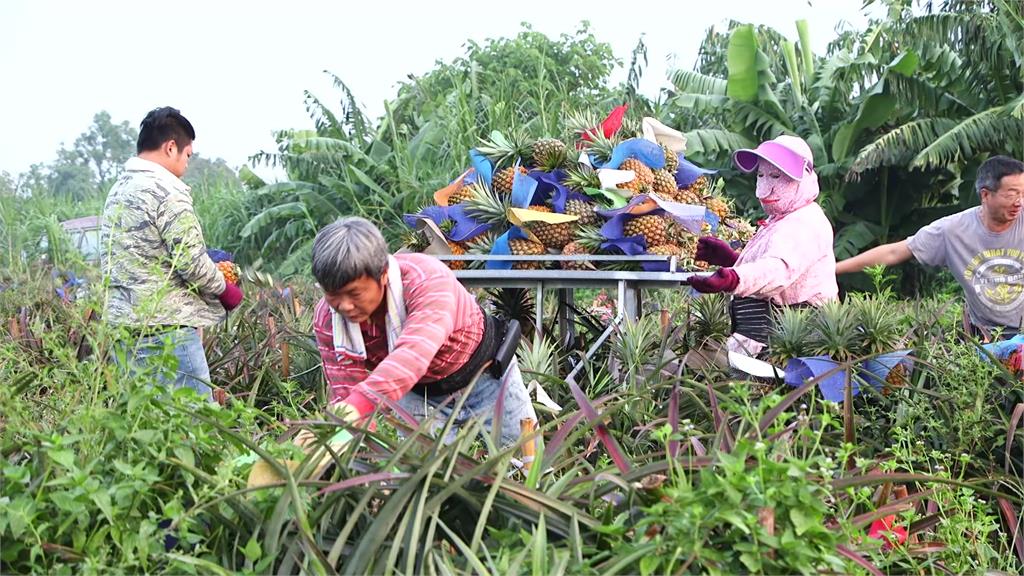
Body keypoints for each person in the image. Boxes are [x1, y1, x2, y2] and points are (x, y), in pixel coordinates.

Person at [309, 216, 535, 448]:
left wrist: (357, 404)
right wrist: (335, 443)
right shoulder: (329, 319)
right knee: (424, 478)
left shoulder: (427, 280)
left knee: (522, 462)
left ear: (383, 275)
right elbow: (347, 394)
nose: (343, 306)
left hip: (487, 377)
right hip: (417, 394)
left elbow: (413, 355)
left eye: (354, 293)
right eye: (333, 294)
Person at [101, 106, 243, 400]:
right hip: (167, 331)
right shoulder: (167, 190)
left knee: (144, 429)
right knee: (193, 426)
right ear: (170, 148)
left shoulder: (117, 191)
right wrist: (225, 290)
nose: (187, 164)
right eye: (188, 155)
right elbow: (190, 261)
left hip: (124, 330)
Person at [836, 155, 1024, 340]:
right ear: (985, 194)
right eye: (1011, 194)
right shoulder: (952, 230)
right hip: (984, 338)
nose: (1019, 202)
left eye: (1023, 193)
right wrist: (832, 269)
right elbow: (894, 252)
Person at [685, 135, 838, 354]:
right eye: (761, 175)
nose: (764, 189)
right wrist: (731, 259)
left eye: (776, 176)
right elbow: (775, 264)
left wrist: (733, 278)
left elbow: (778, 270)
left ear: (803, 178)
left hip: (793, 347)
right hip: (761, 340)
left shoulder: (804, 222)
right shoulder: (781, 220)